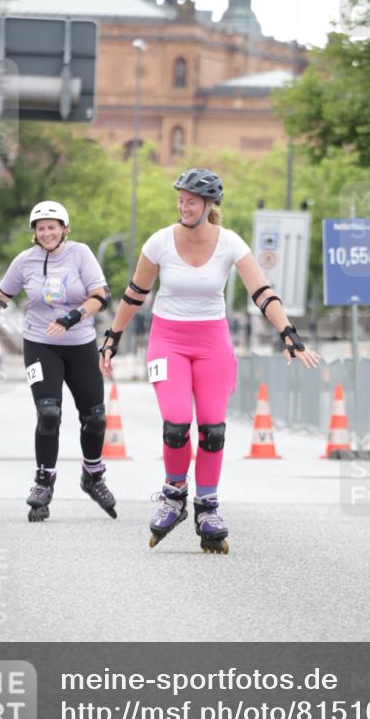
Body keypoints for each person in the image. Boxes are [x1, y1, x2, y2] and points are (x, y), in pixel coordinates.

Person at [99, 168, 319, 553]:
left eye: (191, 201)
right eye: (180, 200)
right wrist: (112, 338)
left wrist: (289, 334)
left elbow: (263, 292)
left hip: (213, 342)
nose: (183, 207)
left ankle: (207, 507)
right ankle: (173, 495)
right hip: (167, 341)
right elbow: (135, 294)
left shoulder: (230, 242)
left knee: (213, 430)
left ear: (208, 205)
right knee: (177, 422)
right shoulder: (160, 242)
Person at [0, 200, 117, 523]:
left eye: (52, 227)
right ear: (34, 233)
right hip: (40, 344)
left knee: (96, 417)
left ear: (64, 229)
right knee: (48, 413)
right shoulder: (25, 262)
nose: (46, 233)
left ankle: (93, 475)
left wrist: (73, 317)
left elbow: (101, 295)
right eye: (40, 228)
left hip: (80, 343)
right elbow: (0, 297)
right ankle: (44, 484)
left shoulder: (81, 254)